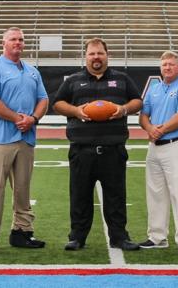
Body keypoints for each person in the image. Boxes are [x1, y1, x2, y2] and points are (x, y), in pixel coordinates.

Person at [53, 38, 143, 252]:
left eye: (100, 53)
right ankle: (77, 237)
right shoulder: (74, 80)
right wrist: (76, 111)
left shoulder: (122, 79)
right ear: (85, 56)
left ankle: (119, 237)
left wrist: (123, 109)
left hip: (113, 149)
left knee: (116, 196)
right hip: (82, 150)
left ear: (107, 54)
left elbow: (137, 101)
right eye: (92, 53)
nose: (96, 57)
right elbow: (57, 103)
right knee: (80, 196)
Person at [0, 27, 49, 254]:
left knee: (23, 190)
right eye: (13, 39)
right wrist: (18, 118)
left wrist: (33, 118)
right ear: (3, 43)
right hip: (0, 139)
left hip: (26, 139)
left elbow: (43, 99)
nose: (18, 43)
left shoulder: (32, 71)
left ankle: (22, 232)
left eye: (21, 39)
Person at [138, 51, 178, 254]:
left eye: (171, 64)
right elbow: (143, 115)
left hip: (177, 144)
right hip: (155, 146)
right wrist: (149, 129)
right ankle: (157, 236)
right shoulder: (154, 89)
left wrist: (159, 130)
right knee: (155, 193)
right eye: (164, 65)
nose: (167, 68)